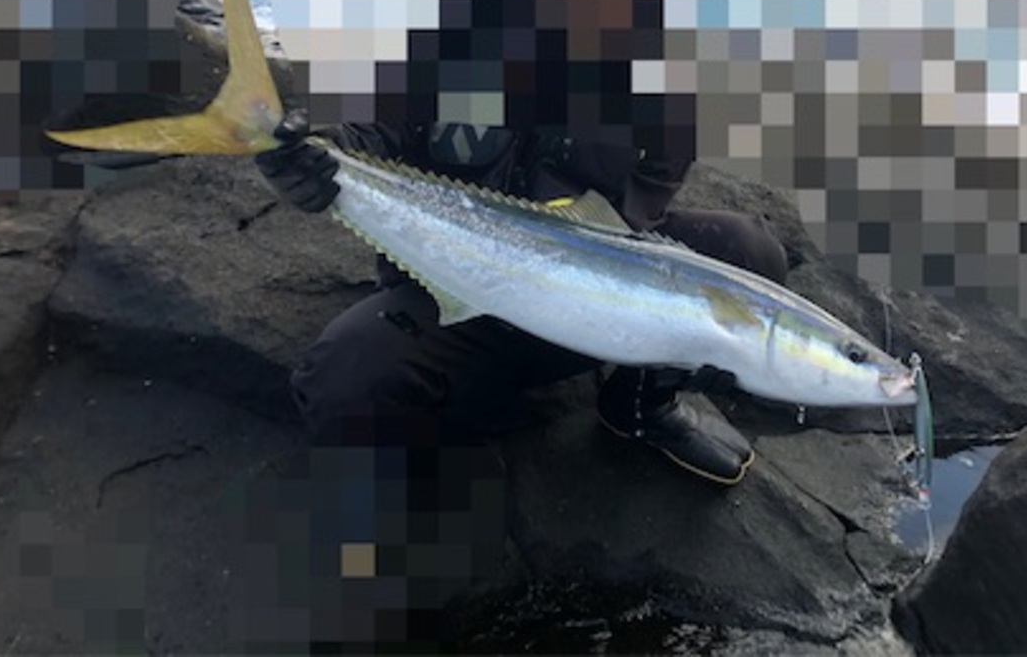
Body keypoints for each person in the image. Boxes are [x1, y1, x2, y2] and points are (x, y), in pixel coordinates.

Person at [255, 112, 790, 485]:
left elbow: (637, 222)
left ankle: (640, 405)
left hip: (594, 303)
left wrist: (689, 346)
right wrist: (305, 159)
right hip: (452, 299)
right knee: (344, 380)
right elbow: (369, 132)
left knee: (748, 254)